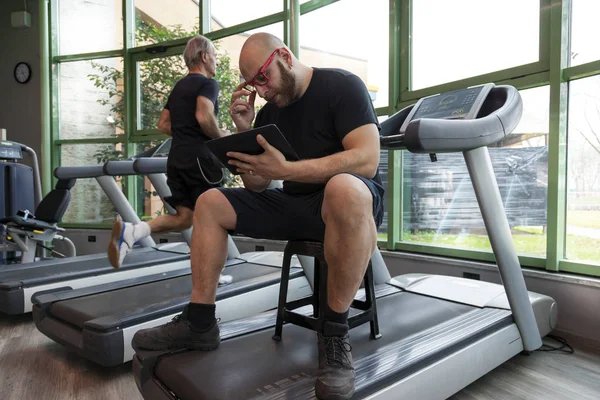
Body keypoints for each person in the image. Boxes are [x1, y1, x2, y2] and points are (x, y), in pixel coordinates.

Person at [132, 32, 384, 400]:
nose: (261, 92)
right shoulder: (271, 110)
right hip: (296, 204)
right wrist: (244, 132)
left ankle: (333, 335)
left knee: (342, 187)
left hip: (347, 204)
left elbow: (367, 159)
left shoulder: (342, 86)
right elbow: (259, 185)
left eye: (263, 79)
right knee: (210, 202)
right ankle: (200, 322)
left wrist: (287, 171)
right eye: (252, 85)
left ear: (283, 56)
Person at [107, 35, 231, 271]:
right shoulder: (208, 84)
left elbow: (163, 124)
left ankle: (133, 232)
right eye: (214, 56)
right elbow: (204, 117)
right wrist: (221, 136)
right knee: (216, 217)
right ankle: (211, 275)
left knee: (185, 218)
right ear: (204, 56)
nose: (215, 61)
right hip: (200, 161)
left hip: (176, 160)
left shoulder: (180, 86)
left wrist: (187, 131)